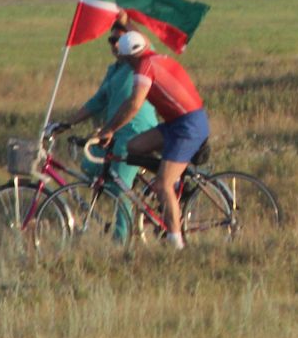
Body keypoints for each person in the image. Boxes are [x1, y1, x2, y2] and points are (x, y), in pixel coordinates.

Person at [52, 21, 211, 248]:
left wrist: (109, 130)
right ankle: (174, 177)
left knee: (162, 184)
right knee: (134, 148)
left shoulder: (145, 66)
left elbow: (134, 104)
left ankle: (176, 242)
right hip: (176, 124)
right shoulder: (151, 58)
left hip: (189, 125)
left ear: (130, 57)